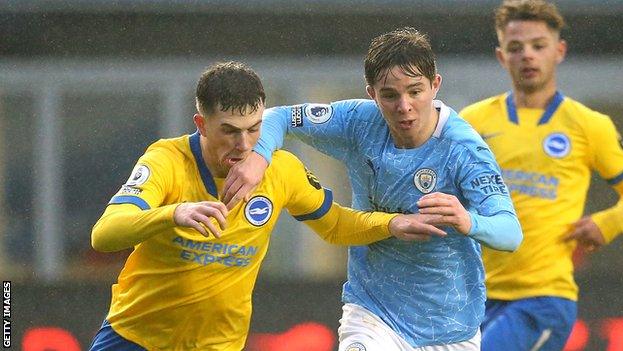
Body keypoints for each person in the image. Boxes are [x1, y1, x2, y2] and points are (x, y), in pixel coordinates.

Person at [88, 61, 448, 351]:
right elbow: (104, 234)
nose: (244, 144)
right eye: (230, 130)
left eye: (255, 128)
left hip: (218, 345)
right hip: (135, 338)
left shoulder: (280, 170)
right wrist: (174, 213)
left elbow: (335, 225)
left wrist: (389, 225)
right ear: (201, 124)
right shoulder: (167, 160)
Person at [222, 28, 523, 350]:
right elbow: (278, 116)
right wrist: (259, 156)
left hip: (449, 327)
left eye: (415, 91)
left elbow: (510, 233)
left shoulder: (464, 150)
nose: (404, 106)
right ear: (372, 94)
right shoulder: (358, 121)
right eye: (390, 95)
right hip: (373, 312)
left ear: (435, 85)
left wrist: (468, 221)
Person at [459, 1, 623, 350]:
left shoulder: (589, 126)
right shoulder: (472, 122)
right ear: (502, 57)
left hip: (543, 299)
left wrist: (607, 223)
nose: (527, 56)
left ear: (559, 51)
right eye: (516, 48)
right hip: (475, 297)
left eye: (538, 46)